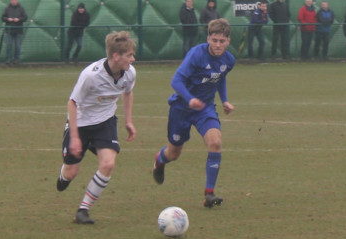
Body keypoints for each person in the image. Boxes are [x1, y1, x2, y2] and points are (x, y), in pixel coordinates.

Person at [153, 18, 235, 208]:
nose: (217, 45)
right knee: (173, 153)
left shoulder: (229, 60)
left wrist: (224, 100)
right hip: (181, 108)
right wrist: (190, 99)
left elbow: (220, 77)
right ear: (208, 38)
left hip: (204, 108)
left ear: (228, 41)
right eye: (214, 40)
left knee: (215, 142)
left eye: (222, 41)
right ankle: (159, 161)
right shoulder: (196, 55)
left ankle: (209, 194)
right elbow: (176, 81)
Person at [56, 31, 137, 224]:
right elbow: (72, 103)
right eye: (129, 55)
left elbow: (128, 93)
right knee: (71, 172)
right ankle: (64, 174)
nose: (133, 59)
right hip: (81, 125)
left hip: (105, 122)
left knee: (108, 163)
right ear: (116, 56)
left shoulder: (130, 73)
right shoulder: (90, 75)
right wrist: (75, 137)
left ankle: (83, 210)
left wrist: (128, 121)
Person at [1, 0, 27, 65]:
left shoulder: (21, 9)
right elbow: (2, 17)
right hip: (9, 30)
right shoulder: (7, 8)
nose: (13, 1)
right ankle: (8, 59)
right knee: (9, 45)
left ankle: (16, 59)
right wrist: (7, 19)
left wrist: (19, 19)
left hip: (18, 30)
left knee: (17, 46)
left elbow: (25, 17)